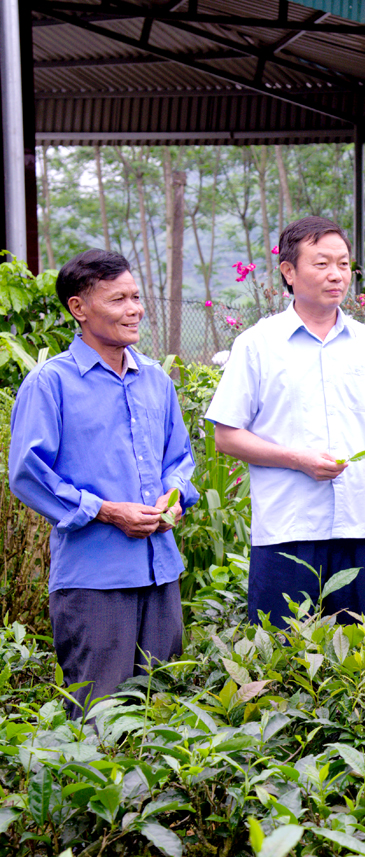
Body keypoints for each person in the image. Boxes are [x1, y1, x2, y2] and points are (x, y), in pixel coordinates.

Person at [8, 249, 198, 717]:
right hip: (94, 581)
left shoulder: (157, 380)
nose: (134, 309)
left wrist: (172, 501)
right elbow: (29, 473)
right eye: (118, 299)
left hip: (161, 573)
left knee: (163, 711)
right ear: (79, 308)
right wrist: (107, 511)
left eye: (136, 297)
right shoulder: (50, 384)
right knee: (100, 718)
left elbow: (181, 461)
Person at [205, 216, 365, 627]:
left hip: (358, 524)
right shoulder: (257, 345)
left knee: (354, 655)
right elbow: (226, 436)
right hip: (288, 528)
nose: (336, 275)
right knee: (279, 654)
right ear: (288, 271)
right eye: (321, 264)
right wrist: (296, 459)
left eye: (343, 264)